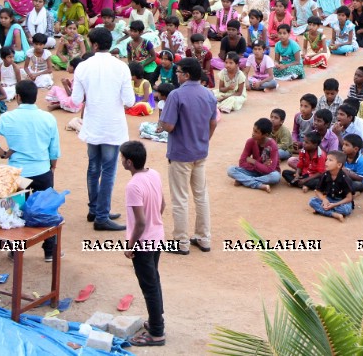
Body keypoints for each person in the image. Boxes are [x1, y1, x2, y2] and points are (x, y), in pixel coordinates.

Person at [0, 80, 61, 261]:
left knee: (16, 212)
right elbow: (54, 148)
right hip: (43, 170)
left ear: (17, 97)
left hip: (18, 173)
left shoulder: (8, 117)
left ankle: (16, 250)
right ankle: (49, 251)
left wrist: (3, 153)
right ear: (35, 97)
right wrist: (52, 166)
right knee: (46, 211)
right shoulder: (48, 118)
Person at [71, 28, 136, 231]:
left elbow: (75, 101)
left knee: (93, 168)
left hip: (93, 124)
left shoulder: (82, 66)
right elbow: (130, 101)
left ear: (95, 45)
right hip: (112, 126)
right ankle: (101, 215)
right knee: (108, 170)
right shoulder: (121, 67)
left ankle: (96, 209)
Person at [159, 58, 217, 254]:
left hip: (181, 153)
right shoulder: (208, 94)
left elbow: (168, 125)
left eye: (179, 71)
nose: (177, 74)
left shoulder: (176, 95)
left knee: (180, 198)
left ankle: (181, 242)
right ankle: (204, 237)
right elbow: (213, 123)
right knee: (201, 196)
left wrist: (161, 121)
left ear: (186, 74)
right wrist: (204, 141)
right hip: (200, 152)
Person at [119, 141, 167, 347]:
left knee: (149, 287)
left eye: (122, 158)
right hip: (157, 237)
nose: (121, 161)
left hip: (143, 243)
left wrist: (130, 246)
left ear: (129, 162)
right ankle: (157, 321)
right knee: (154, 281)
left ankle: (157, 333)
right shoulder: (154, 174)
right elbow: (162, 204)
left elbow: (139, 222)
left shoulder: (133, 186)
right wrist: (155, 223)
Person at [227, 117, 281, 192]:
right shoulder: (250, 142)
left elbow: (269, 170)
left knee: (275, 177)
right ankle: (259, 185)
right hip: (254, 172)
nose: (253, 133)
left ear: (265, 135)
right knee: (231, 170)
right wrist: (261, 165)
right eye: (253, 130)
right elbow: (242, 163)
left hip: (269, 174)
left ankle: (244, 181)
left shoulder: (272, 146)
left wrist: (254, 162)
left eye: (256, 132)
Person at [308, 151, 355, 221]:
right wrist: (324, 199)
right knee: (312, 201)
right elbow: (317, 191)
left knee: (345, 210)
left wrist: (334, 205)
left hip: (341, 202)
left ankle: (322, 210)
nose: (326, 162)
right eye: (326, 159)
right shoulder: (325, 175)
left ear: (339, 165)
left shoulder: (344, 178)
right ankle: (333, 214)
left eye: (330, 160)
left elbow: (349, 198)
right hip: (328, 199)